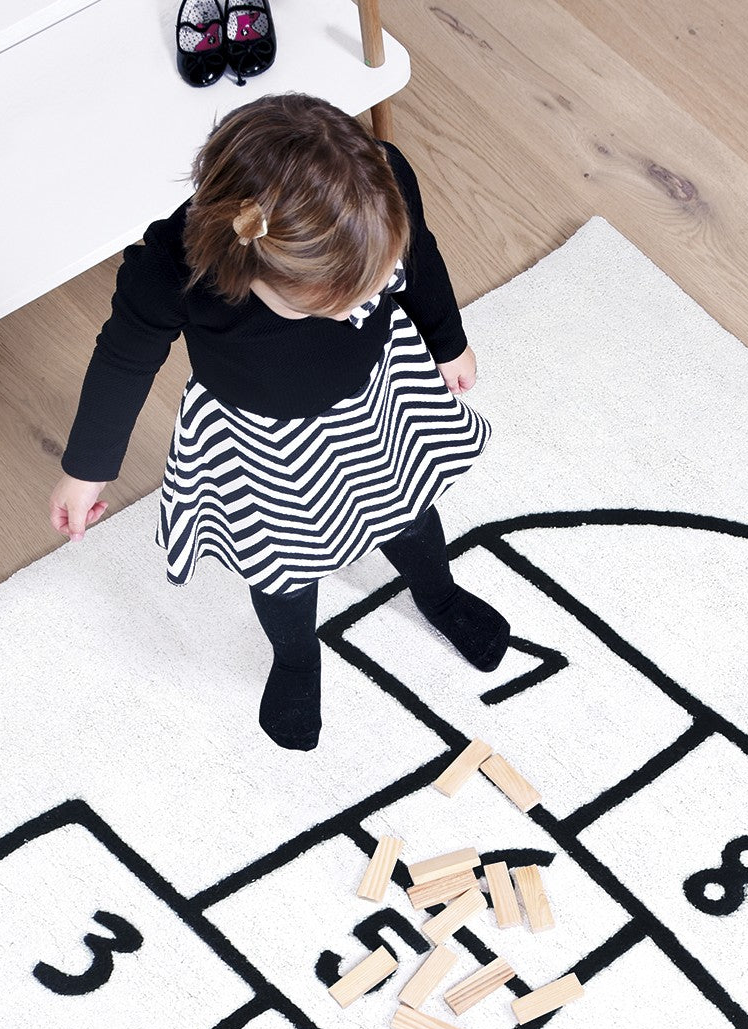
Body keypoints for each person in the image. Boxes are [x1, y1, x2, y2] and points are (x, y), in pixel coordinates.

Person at [49, 93, 506, 751]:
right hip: (257, 439)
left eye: (375, 287)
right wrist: (86, 471)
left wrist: (446, 336)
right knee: (283, 563)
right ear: (252, 266)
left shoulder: (381, 183)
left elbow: (422, 258)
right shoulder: (174, 268)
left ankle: (439, 595)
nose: (368, 302)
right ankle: (295, 656)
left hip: (374, 395)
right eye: (339, 301)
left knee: (405, 505)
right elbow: (124, 357)